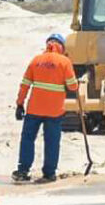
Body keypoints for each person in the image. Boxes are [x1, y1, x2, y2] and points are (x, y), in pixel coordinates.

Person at [14, 33, 80, 183]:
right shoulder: (65, 62)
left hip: (34, 109)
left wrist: (19, 104)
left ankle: (23, 171)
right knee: (52, 141)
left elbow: (25, 84)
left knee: (28, 139)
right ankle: (49, 173)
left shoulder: (36, 60)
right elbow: (72, 86)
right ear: (61, 47)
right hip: (54, 111)